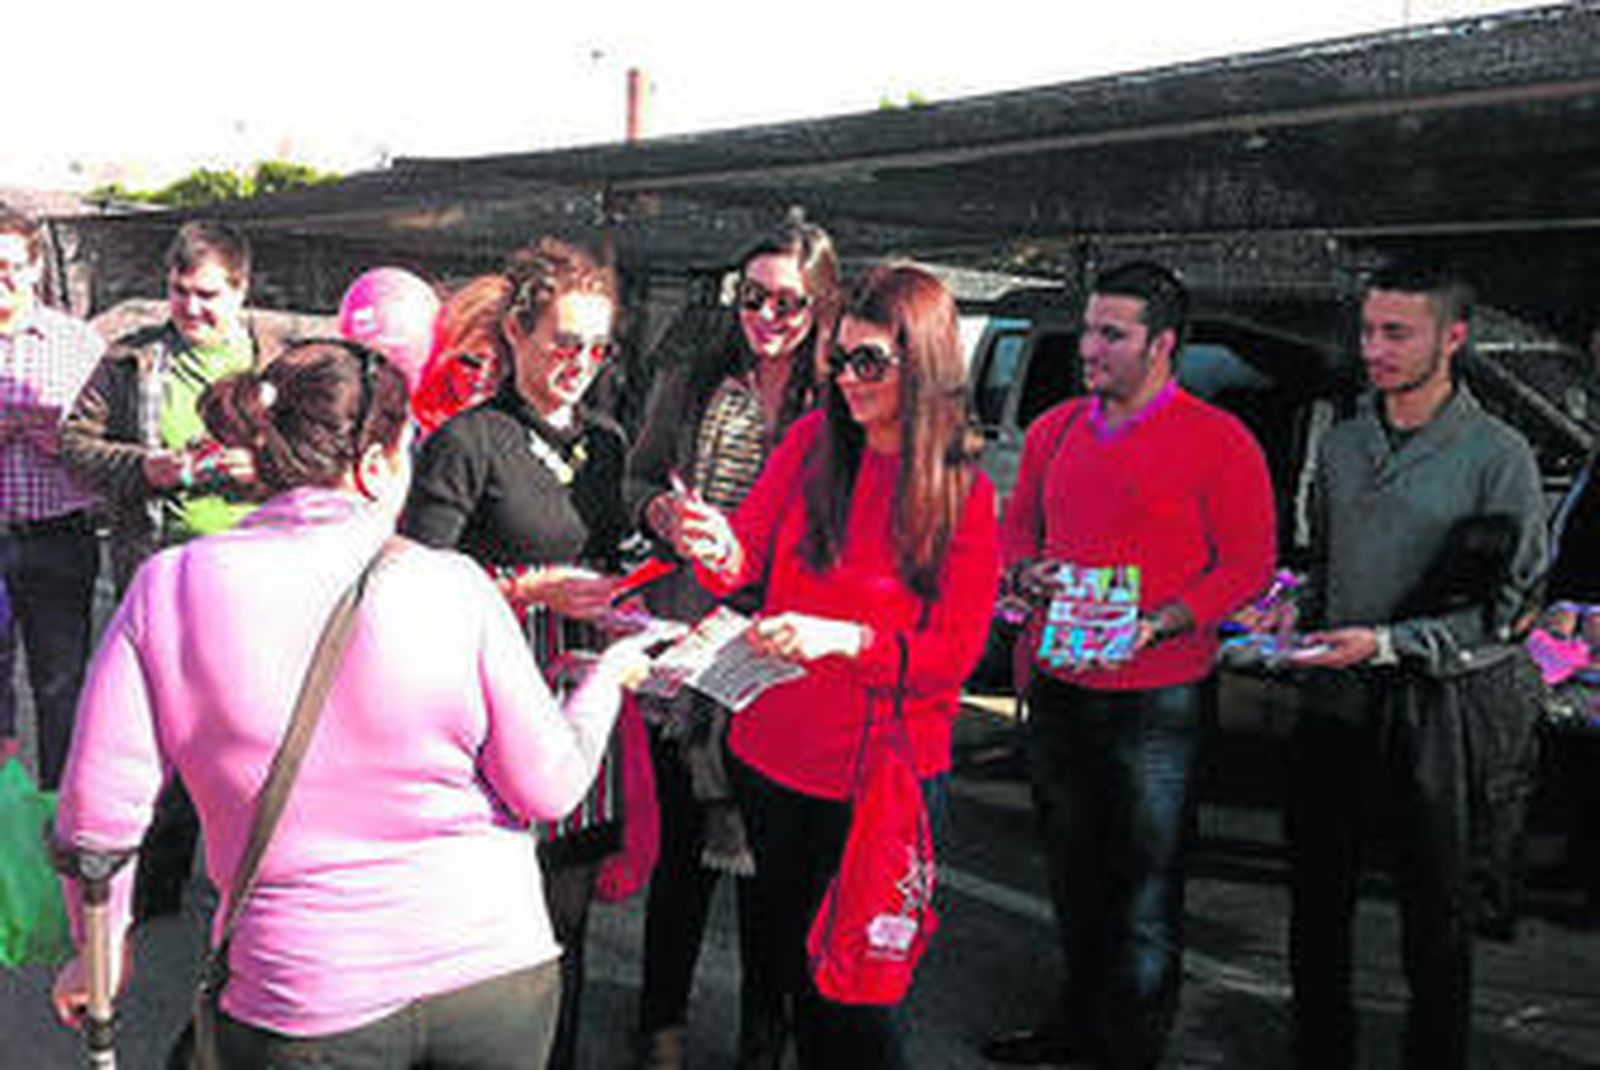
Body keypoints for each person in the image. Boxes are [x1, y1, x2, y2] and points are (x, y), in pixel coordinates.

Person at [50, 339, 661, 1068]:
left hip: (302, 997)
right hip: (497, 974)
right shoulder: (456, 588)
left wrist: (100, 954)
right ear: (377, 465)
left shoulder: (169, 589)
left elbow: (96, 820)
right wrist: (604, 679)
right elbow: (549, 787)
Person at [659, 262, 999, 1068]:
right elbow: (741, 560)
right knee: (782, 969)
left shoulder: (962, 490)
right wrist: (711, 544)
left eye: (868, 361)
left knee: (861, 996)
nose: (846, 378)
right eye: (839, 359)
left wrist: (842, 640)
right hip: (775, 758)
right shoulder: (815, 441)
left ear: (925, 363)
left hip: (884, 774)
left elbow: (957, 653)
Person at [985, 261, 1276, 1070]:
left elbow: (1248, 565)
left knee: (1145, 895)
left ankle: (1129, 1049)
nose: (1089, 347)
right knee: (1074, 877)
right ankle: (1071, 1027)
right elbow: (1017, 533)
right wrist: (1026, 572)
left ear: (1163, 345)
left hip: (1161, 700)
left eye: (1112, 333)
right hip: (1060, 686)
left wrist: (1165, 622)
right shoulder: (1053, 431)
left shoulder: (1220, 443)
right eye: (1088, 328)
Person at [1287, 263, 1546, 1070]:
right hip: (1334, 705)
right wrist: (1293, 620)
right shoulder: (1344, 442)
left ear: (1454, 339)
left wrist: (1395, 644)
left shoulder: (1498, 455)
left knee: (1434, 926)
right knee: (1316, 913)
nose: (1375, 349)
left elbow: (1511, 610)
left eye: (1397, 332)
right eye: (1368, 331)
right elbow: (1326, 566)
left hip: (1437, 719)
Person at [401, 237, 630, 1070]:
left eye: (598, 347)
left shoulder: (604, 440)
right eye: (564, 342)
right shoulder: (469, 440)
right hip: (489, 693)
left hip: (576, 687)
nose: (581, 362)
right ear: (520, 336)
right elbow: (413, 585)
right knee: (488, 921)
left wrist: (644, 564)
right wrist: (528, 592)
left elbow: (604, 552)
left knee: (567, 918)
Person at [625, 211, 839, 1069]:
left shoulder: (840, 404)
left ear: (821, 305)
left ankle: (762, 1041)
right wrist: (664, 513)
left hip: (787, 653)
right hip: (691, 640)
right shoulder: (695, 379)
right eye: (753, 296)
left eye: (789, 301)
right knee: (683, 861)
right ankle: (661, 1027)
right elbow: (637, 476)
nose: (768, 316)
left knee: (776, 881)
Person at [61, 219, 285, 922]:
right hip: (160, 572)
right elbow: (75, 444)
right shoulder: (134, 360)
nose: (192, 307)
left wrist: (265, 470)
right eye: (179, 292)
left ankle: (244, 883)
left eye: (209, 294)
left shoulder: (280, 366)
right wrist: (147, 468)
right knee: (159, 731)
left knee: (246, 731)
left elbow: (318, 459)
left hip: (259, 582)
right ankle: (153, 892)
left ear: (242, 290)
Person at [0, 206, 104, 787]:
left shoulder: (78, 344)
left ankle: (56, 812)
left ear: (36, 268)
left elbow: (111, 447)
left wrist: (64, 442)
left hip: (59, 537)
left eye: (12, 267)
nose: (2, 281)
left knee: (60, 685)